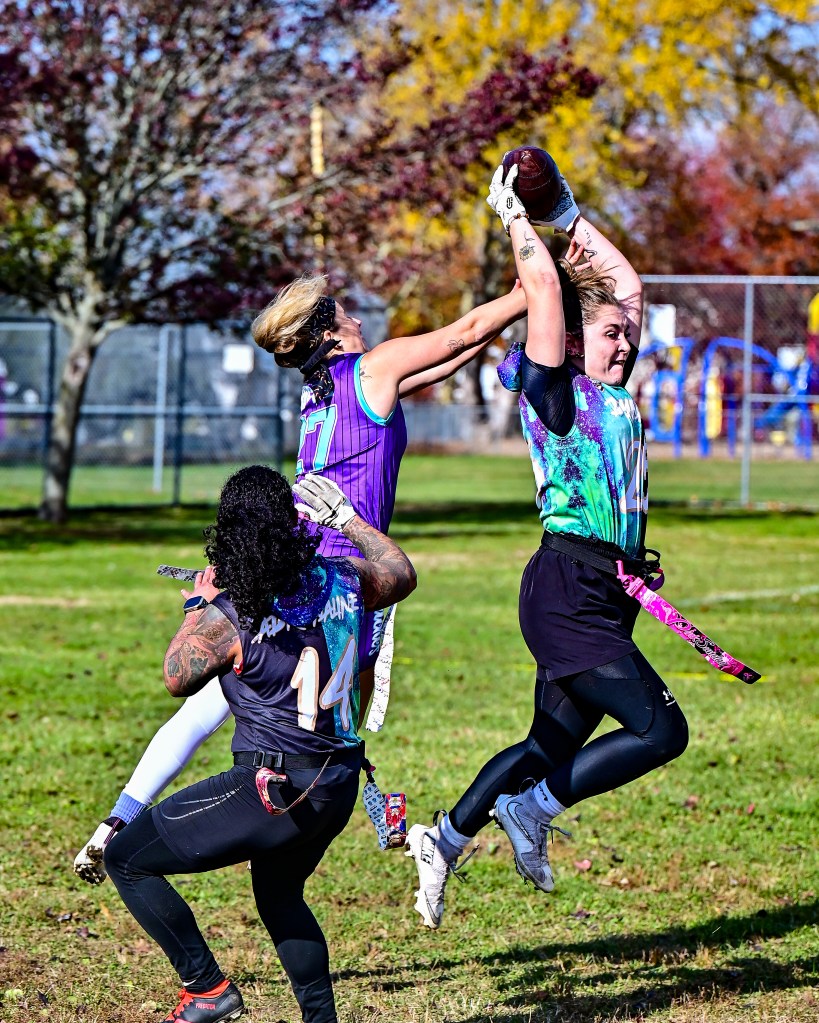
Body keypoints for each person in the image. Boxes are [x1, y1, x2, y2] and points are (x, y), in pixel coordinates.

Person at [74, 273, 527, 883]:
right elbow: (462, 333)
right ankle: (339, 823)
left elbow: (450, 356)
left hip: (293, 561)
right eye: (345, 312)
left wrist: (505, 324)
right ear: (330, 333)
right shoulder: (371, 370)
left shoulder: (323, 390)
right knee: (327, 724)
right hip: (345, 576)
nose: (358, 318)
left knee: (224, 695)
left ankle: (119, 818)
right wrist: (532, 291)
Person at [406, 158, 689, 929]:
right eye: (608, 335)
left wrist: (563, 211)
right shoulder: (554, 391)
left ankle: (443, 837)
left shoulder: (614, 391)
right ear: (567, 342)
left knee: (546, 743)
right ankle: (529, 810)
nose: (623, 343)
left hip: (600, 589)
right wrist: (514, 217)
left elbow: (624, 286)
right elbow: (542, 291)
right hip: (566, 589)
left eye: (625, 336)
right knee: (661, 730)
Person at [103, 466, 416, 1023]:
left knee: (126, 858)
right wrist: (348, 520)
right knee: (279, 895)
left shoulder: (232, 614)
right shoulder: (343, 579)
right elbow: (400, 573)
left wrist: (199, 605)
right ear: (294, 526)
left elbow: (176, 675)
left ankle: (206, 989)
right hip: (337, 781)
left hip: (274, 788)